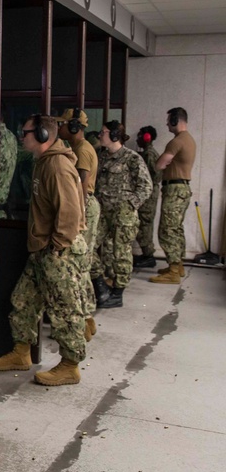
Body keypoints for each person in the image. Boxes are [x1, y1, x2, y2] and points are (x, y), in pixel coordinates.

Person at [0, 115, 87, 386]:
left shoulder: (56, 165)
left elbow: (70, 210)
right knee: (23, 300)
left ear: (44, 134)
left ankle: (70, 365)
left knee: (65, 308)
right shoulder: (43, 162)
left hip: (58, 250)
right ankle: (21, 353)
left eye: (26, 132)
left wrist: (57, 247)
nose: (22, 136)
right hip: (44, 249)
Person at [91, 122, 152, 308]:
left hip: (122, 214)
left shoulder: (131, 158)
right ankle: (99, 282)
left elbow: (146, 186)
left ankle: (118, 293)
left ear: (115, 135)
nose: (100, 135)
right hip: (102, 212)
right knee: (89, 245)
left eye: (104, 132)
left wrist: (129, 204)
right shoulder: (102, 156)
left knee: (121, 252)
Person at [58, 108, 100, 339]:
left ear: (74, 127)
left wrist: (78, 215)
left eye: (63, 124)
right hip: (85, 206)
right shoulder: (76, 148)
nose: (60, 128)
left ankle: (85, 318)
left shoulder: (82, 150)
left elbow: (82, 186)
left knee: (81, 264)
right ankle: (86, 318)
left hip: (84, 207)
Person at [149, 107, 196, 285]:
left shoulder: (177, 141)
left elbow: (159, 164)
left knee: (167, 229)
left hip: (175, 189)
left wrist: (157, 163)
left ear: (176, 120)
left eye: (169, 120)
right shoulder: (189, 139)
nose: (167, 123)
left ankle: (174, 270)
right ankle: (178, 265)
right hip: (182, 189)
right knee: (176, 228)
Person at [133, 126, 162, 269]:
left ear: (147, 138)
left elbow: (155, 175)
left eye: (140, 136)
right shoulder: (147, 153)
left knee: (144, 224)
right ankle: (147, 254)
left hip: (148, 194)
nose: (137, 139)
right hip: (149, 193)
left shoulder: (149, 154)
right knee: (144, 224)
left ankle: (148, 255)